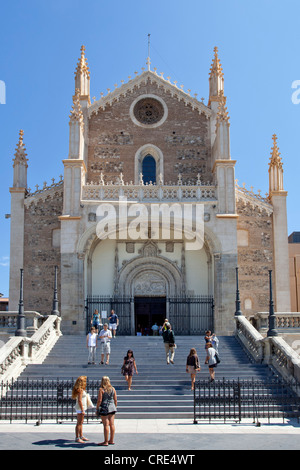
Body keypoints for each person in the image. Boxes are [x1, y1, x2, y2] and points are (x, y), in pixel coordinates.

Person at [96, 376, 117, 446]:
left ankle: (105, 441)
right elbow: (115, 399)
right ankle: (111, 439)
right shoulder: (113, 389)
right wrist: (115, 406)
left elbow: (99, 400)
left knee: (106, 425)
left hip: (105, 407)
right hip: (112, 407)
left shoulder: (101, 389)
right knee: (112, 424)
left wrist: (97, 408)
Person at [72, 376, 89, 443]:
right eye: (84, 381)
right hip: (80, 408)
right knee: (79, 423)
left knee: (81, 423)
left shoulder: (80, 389)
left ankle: (81, 436)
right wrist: (82, 409)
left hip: (81, 407)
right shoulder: (80, 390)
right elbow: (79, 400)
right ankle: (77, 437)